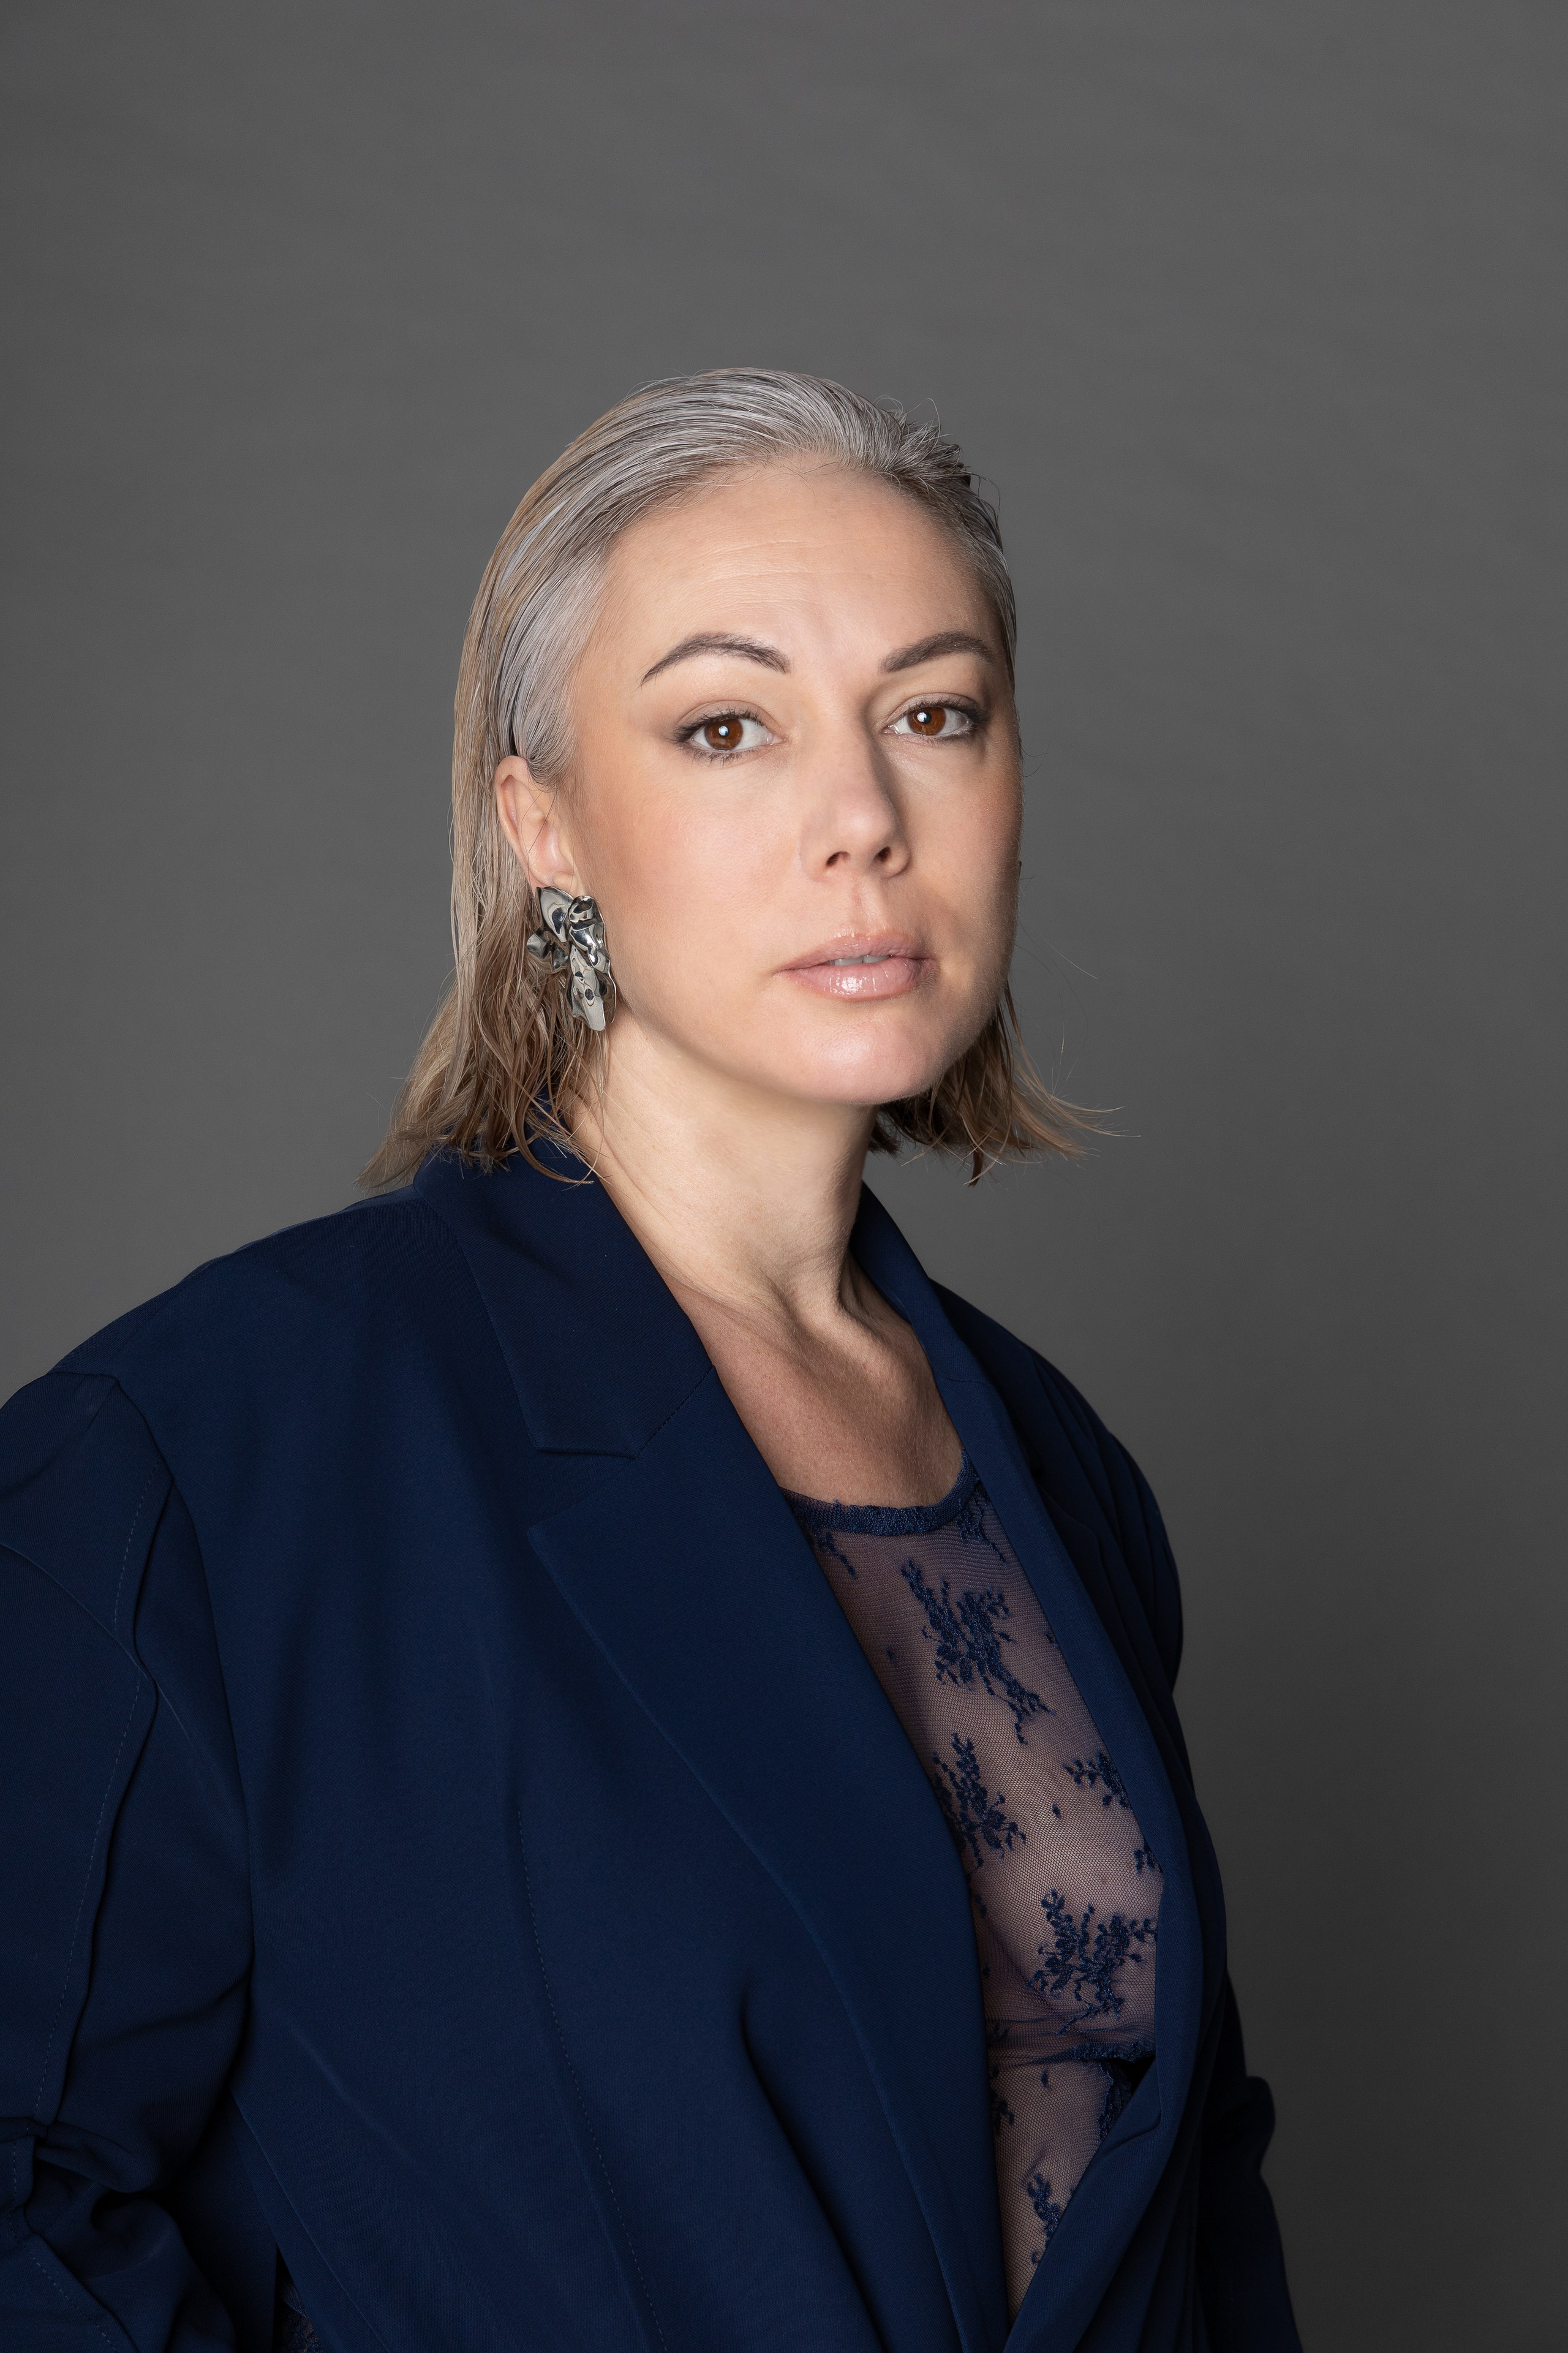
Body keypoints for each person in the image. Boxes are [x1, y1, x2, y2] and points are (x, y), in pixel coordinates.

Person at [0, 370, 1300, 2353]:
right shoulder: (199, 1458)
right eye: (726, 727)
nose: (862, 818)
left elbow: (1190, 2193)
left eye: (934, 714)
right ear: (544, 824)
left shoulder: (1061, 1468)